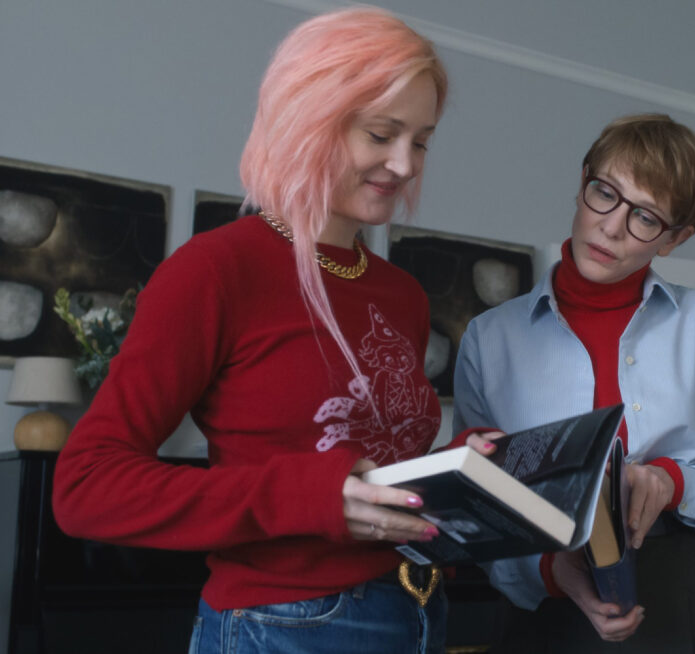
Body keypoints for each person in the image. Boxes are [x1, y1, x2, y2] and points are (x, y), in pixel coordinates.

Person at [52, 8, 491, 653]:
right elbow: (86, 487)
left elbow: (373, 469)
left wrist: (463, 470)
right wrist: (307, 497)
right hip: (282, 626)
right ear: (310, 119)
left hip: (418, 610)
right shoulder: (215, 270)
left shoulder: (400, 294)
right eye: (380, 133)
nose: (404, 164)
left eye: (420, 141)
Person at [451, 113, 695, 652]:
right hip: (547, 611)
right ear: (583, 181)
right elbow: (481, 512)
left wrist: (676, 484)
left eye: (646, 217)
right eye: (604, 192)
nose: (611, 225)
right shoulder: (489, 339)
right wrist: (551, 572)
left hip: (691, 604)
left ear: (676, 238)